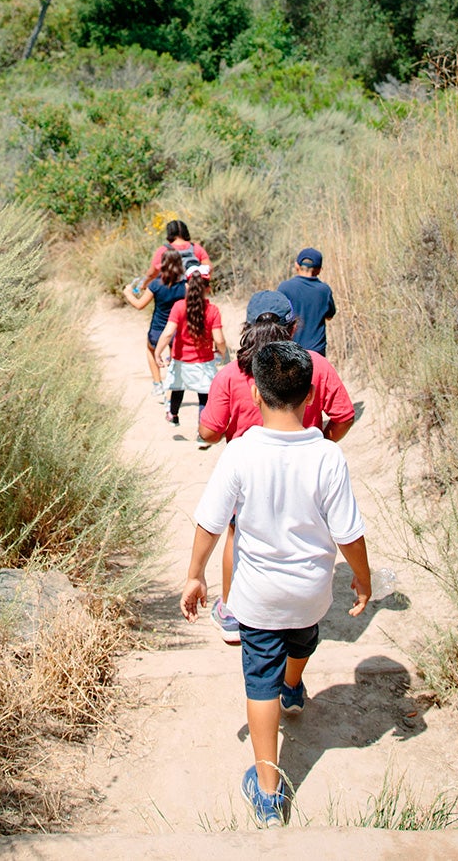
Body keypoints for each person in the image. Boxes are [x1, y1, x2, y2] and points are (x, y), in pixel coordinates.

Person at [180, 338, 371, 828]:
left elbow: (209, 521)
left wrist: (195, 575)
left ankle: (268, 791)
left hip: (258, 596)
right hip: (310, 593)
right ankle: (294, 687)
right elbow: (350, 534)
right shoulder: (328, 457)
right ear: (310, 397)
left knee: (258, 679)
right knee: (305, 638)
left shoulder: (241, 454)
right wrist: (364, 581)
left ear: (258, 395)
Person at [198, 291, 356, 643]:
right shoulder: (316, 365)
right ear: (293, 326)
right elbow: (344, 415)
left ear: (248, 327)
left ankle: (232, 612)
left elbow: (208, 431)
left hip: (249, 478)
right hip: (304, 474)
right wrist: (324, 441)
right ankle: (296, 616)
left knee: (237, 536)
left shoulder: (232, 375)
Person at [154, 266, 226, 427]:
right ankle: (202, 430)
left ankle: (173, 415)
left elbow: (167, 333)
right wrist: (223, 353)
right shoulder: (212, 310)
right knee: (204, 396)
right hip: (204, 361)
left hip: (181, 359)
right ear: (208, 288)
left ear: (187, 286)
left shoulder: (179, 307)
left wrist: (157, 353)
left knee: (178, 387)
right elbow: (219, 339)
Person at [122, 249, 187, 401]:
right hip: (177, 330)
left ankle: (158, 384)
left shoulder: (156, 285)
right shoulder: (185, 286)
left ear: (163, 265)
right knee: (174, 358)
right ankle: (172, 388)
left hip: (158, 329)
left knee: (151, 350)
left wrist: (128, 293)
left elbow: (139, 305)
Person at [277, 247, 337, 355]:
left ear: (297, 266)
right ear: (319, 270)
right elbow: (330, 316)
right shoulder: (324, 290)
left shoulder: (285, 288)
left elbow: (277, 318)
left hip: (290, 352)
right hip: (316, 353)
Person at [144, 218, 211, 283]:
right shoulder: (196, 248)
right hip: (195, 290)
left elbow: (152, 274)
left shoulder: (163, 250)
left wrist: (143, 285)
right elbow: (209, 268)